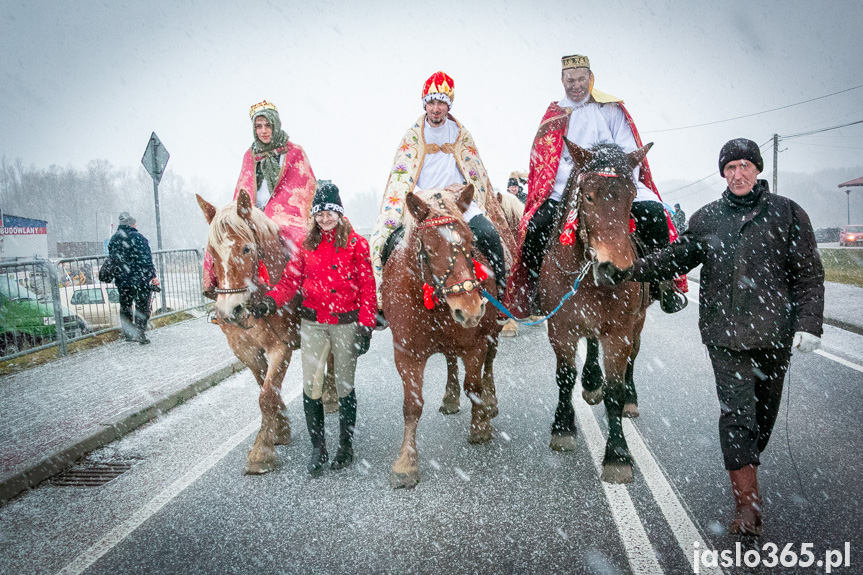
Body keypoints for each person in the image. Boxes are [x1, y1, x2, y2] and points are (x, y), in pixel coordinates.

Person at [595, 138, 825, 536]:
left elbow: (808, 273)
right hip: (725, 337)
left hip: (773, 336)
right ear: (723, 173)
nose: (737, 174)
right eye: (730, 168)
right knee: (737, 418)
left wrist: (809, 322)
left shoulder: (787, 214)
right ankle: (748, 508)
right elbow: (675, 256)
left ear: (757, 170)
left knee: (762, 421)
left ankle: (747, 468)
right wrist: (629, 270)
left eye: (744, 166)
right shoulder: (708, 218)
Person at [506, 54, 686, 318]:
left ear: (590, 78)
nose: (576, 85)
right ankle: (532, 291)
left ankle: (664, 285)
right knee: (537, 225)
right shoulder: (554, 116)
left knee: (656, 215)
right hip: (567, 185)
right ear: (562, 80)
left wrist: (609, 174)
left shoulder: (611, 109)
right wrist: (583, 175)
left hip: (614, 183)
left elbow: (628, 149)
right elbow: (548, 161)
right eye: (570, 80)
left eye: (581, 79)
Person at [255, 183, 376, 476]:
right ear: (314, 216)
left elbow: (368, 287)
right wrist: (269, 302)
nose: (325, 219)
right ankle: (318, 448)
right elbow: (289, 282)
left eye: (330, 213)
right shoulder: (306, 247)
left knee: (345, 386)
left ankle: (345, 447)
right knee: (312, 387)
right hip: (313, 324)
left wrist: (366, 324)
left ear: (339, 213)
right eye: (320, 213)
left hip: (346, 324)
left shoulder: (357, 244)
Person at [369, 71, 516, 311]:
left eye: (441, 103)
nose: (436, 108)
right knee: (391, 241)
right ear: (425, 104)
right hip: (426, 204)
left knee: (489, 235)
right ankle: (387, 302)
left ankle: (500, 294)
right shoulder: (412, 137)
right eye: (431, 102)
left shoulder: (461, 135)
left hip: (458, 201)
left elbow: (474, 173)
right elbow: (403, 177)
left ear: (449, 105)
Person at [203, 100, 317, 298]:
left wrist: (275, 210)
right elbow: (243, 187)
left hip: (286, 212)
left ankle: (307, 291)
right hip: (253, 211)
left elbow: (303, 187)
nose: (263, 131)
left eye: (267, 125)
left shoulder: (294, 152)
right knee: (220, 236)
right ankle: (214, 287)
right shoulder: (250, 155)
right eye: (259, 126)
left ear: (275, 124)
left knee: (299, 240)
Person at [108, 211, 160, 344]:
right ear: (132, 224)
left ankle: (128, 334)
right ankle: (140, 334)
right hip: (139, 279)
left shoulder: (114, 239)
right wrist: (152, 276)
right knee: (141, 307)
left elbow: (113, 260)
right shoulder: (138, 238)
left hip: (122, 281)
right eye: (135, 223)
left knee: (125, 306)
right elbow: (146, 260)